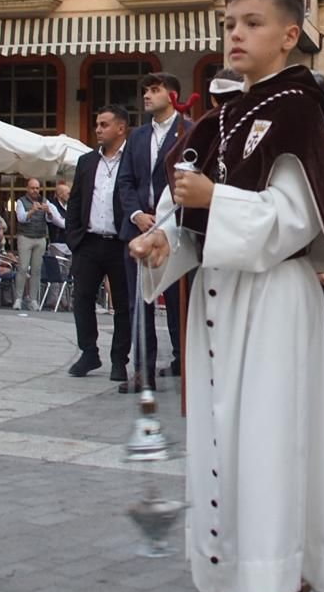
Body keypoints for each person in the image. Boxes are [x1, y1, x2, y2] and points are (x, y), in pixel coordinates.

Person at [129, 0, 324, 592]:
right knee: (227, 441)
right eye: (230, 22)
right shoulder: (217, 117)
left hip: (270, 300)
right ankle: (262, 572)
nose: (235, 34)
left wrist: (214, 200)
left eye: (253, 23)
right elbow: (189, 215)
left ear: (290, 35)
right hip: (220, 299)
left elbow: (294, 221)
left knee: (263, 443)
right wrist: (163, 238)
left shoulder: (296, 114)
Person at [118, 72, 190, 389]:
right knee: (139, 303)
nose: (147, 95)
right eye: (145, 90)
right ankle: (143, 371)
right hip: (138, 229)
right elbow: (125, 180)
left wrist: (164, 219)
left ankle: (184, 363)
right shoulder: (136, 136)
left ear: (173, 96)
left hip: (173, 228)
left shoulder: (188, 130)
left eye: (155, 90)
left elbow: (190, 180)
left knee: (178, 301)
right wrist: (136, 214)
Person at [64, 109, 130, 377]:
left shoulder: (132, 160)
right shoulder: (87, 161)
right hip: (89, 242)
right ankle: (89, 352)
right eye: (97, 124)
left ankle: (119, 360)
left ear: (121, 128)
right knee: (82, 299)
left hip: (121, 243)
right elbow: (76, 200)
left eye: (104, 124)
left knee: (124, 304)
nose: (98, 129)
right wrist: (74, 237)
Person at [12, 178, 63, 312]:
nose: (35, 191)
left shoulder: (45, 201)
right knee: (22, 268)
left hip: (40, 237)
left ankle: (33, 300)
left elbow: (52, 220)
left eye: (37, 188)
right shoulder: (20, 202)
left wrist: (49, 212)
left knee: (36, 270)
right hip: (25, 237)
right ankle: (18, 298)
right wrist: (32, 211)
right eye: (32, 188)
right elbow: (21, 218)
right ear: (27, 189)